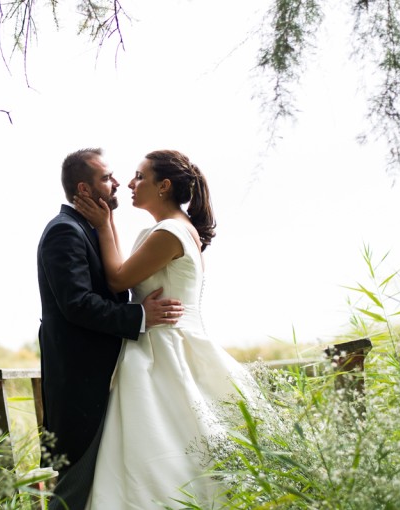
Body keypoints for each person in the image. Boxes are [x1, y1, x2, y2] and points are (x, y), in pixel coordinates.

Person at [74, 149, 264, 509]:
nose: (130, 183)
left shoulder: (169, 233)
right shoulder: (170, 230)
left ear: (163, 186)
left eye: (140, 176)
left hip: (163, 351)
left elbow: (117, 279)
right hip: (166, 343)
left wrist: (104, 224)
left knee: (163, 451)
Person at [37, 148, 185, 510]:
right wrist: (139, 316)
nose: (117, 182)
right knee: (73, 493)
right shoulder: (64, 232)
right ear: (84, 190)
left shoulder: (87, 230)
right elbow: (77, 304)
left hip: (105, 380)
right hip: (81, 386)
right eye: (106, 177)